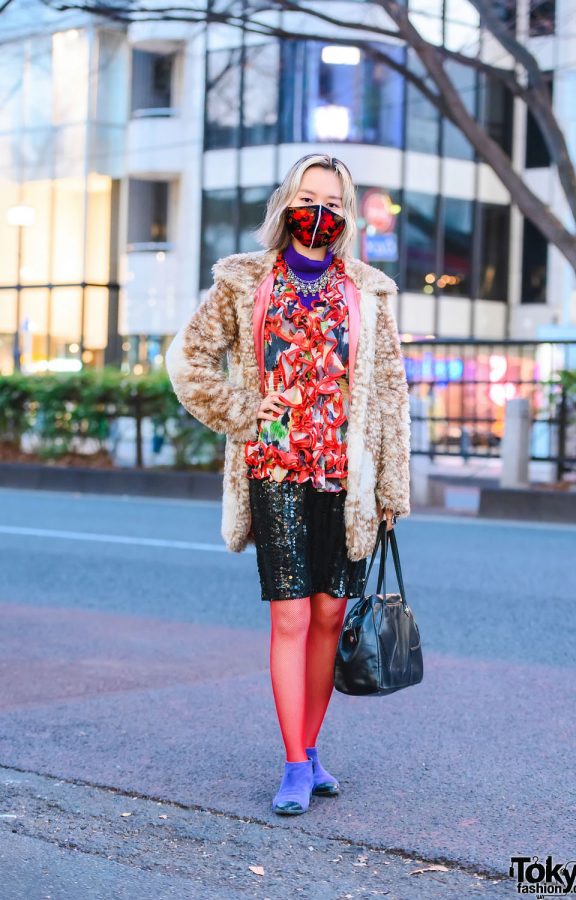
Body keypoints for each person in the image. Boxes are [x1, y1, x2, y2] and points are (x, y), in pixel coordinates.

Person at [165, 153, 411, 816]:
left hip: (345, 472)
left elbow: (389, 393)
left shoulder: (368, 291)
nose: (319, 214)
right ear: (285, 202)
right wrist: (242, 410)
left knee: (331, 614)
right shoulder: (244, 283)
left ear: (348, 215)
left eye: (333, 203)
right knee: (291, 614)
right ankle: (295, 762)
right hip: (273, 467)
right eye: (309, 198)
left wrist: (391, 489)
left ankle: (310, 745)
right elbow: (186, 359)